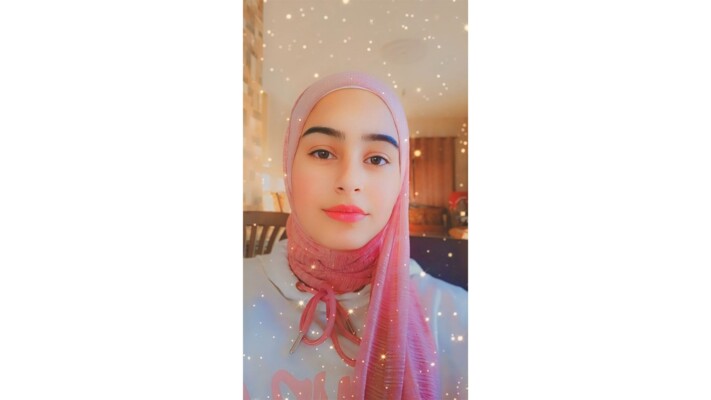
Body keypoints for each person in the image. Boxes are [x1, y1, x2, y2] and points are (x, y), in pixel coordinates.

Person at [243, 72, 467, 399]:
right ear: (289, 165)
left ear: (400, 179)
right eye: (323, 153)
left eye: (377, 158)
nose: (350, 181)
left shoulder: (456, 317)